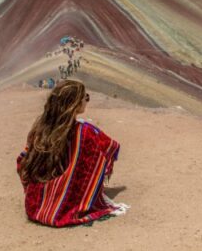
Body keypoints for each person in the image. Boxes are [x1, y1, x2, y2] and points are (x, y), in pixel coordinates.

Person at [16, 80, 127, 227]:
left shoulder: (40, 129)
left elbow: (23, 160)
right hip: (63, 208)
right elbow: (108, 148)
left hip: (35, 205)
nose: (86, 101)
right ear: (75, 104)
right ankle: (77, 194)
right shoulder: (84, 132)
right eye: (85, 97)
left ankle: (52, 194)